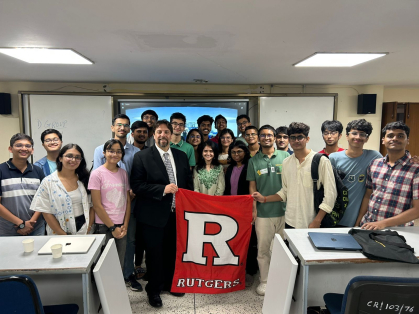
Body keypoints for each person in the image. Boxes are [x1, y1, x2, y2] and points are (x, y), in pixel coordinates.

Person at [130, 120, 193, 308]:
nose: (163, 135)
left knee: (173, 251)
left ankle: (170, 283)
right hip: (152, 215)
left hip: (177, 214)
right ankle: (154, 289)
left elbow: (188, 184)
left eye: (166, 132)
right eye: (159, 132)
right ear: (153, 134)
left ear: (172, 133)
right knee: (155, 254)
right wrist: (162, 189)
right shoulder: (142, 157)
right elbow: (137, 185)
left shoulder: (181, 156)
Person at [252, 122, 337, 230]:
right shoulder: (286, 162)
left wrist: (317, 220)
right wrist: (264, 199)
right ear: (289, 140)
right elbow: (285, 192)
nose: (296, 141)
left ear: (307, 139)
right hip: (290, 222)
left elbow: (331, 195)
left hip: (312, 223)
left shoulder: (321, 161)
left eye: (300, 137)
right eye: (293, 137)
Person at [92, 114, 141, 290]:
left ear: (129, 129)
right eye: (119, 125)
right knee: (106, 245)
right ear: (112, 127)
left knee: (129, 240)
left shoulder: (136, 151)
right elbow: (99, 177)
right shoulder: (100, 150)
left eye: (126, 125)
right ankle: (105, 280)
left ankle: (127, 274)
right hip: (106, 208)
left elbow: (138, 176)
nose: (122, 128)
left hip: (130, 203)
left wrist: (132, 192)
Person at [247, 125, 289, 296]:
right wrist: (253, 209)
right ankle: (264, 281)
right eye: (262, 135)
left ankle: (283, 279)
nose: (266, 138)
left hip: (285, 211)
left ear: (275, 137)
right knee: (263, 249)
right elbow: (252, 186)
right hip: (263, 213)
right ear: (258, 138)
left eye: (269, 135)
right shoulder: (253, 161)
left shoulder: (285, 156)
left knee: (283, 249)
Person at [355, 121, 419, 230]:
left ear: (407, 140)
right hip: (367, 226)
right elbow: (368, 195)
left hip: (398, 231)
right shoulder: (374, 164)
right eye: (390, 136)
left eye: (400, 136)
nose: (394, 139)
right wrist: (358, 223)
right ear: (383, 140)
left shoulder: (415, 169)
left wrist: (382, 223)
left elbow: (417, 209)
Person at [30, 144, 93, 235]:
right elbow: (45, 211)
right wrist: (62, 234)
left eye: (77, 157)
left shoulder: (85, 179)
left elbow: (92, 206)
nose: (73, 160)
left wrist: (88, 228)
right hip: (59, 230)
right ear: (60, 158)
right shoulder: (48, 182)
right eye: (69, 156)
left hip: (84, 227)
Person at [329, 119, 382, 227]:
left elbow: (391, 165)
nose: (357, 137)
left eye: (362, 134)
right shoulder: (334, 158)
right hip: (334, 214)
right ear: (347, 136)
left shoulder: (374, 156)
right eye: (354, 133)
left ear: (366, 138)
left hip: (359, 217)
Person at [89, 139, 131, 269]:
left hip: (121, 225)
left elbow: (127, 200)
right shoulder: (96, 174)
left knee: (119, 264)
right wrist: (113, 227)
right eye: (111, 151)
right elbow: (97, 205)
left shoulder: (123, 173)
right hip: (104, 225)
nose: (115, 154)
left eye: (119, 152)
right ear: (104, 153)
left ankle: (116, 289)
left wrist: (125, 224)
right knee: (104, 266)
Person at [224, 141, 258, 287]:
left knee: (248, 237)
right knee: (233, 237)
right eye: (233, 152)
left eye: (239, 152)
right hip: (231, 208)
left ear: (245, 152)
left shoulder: (250, 165)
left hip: (246, 207)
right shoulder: (229, 168)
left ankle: (249, 267)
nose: (236, 155)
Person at [0, 133, 45, 236]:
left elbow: (43, 199)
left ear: (32, 150)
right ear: (10, 149)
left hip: (36, 228)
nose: (24, 148)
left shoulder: (37, 171)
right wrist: (21, 224)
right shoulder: (1, 170)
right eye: (19, 145)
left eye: (28, 146)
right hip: (7, 229)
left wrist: (30, 224)